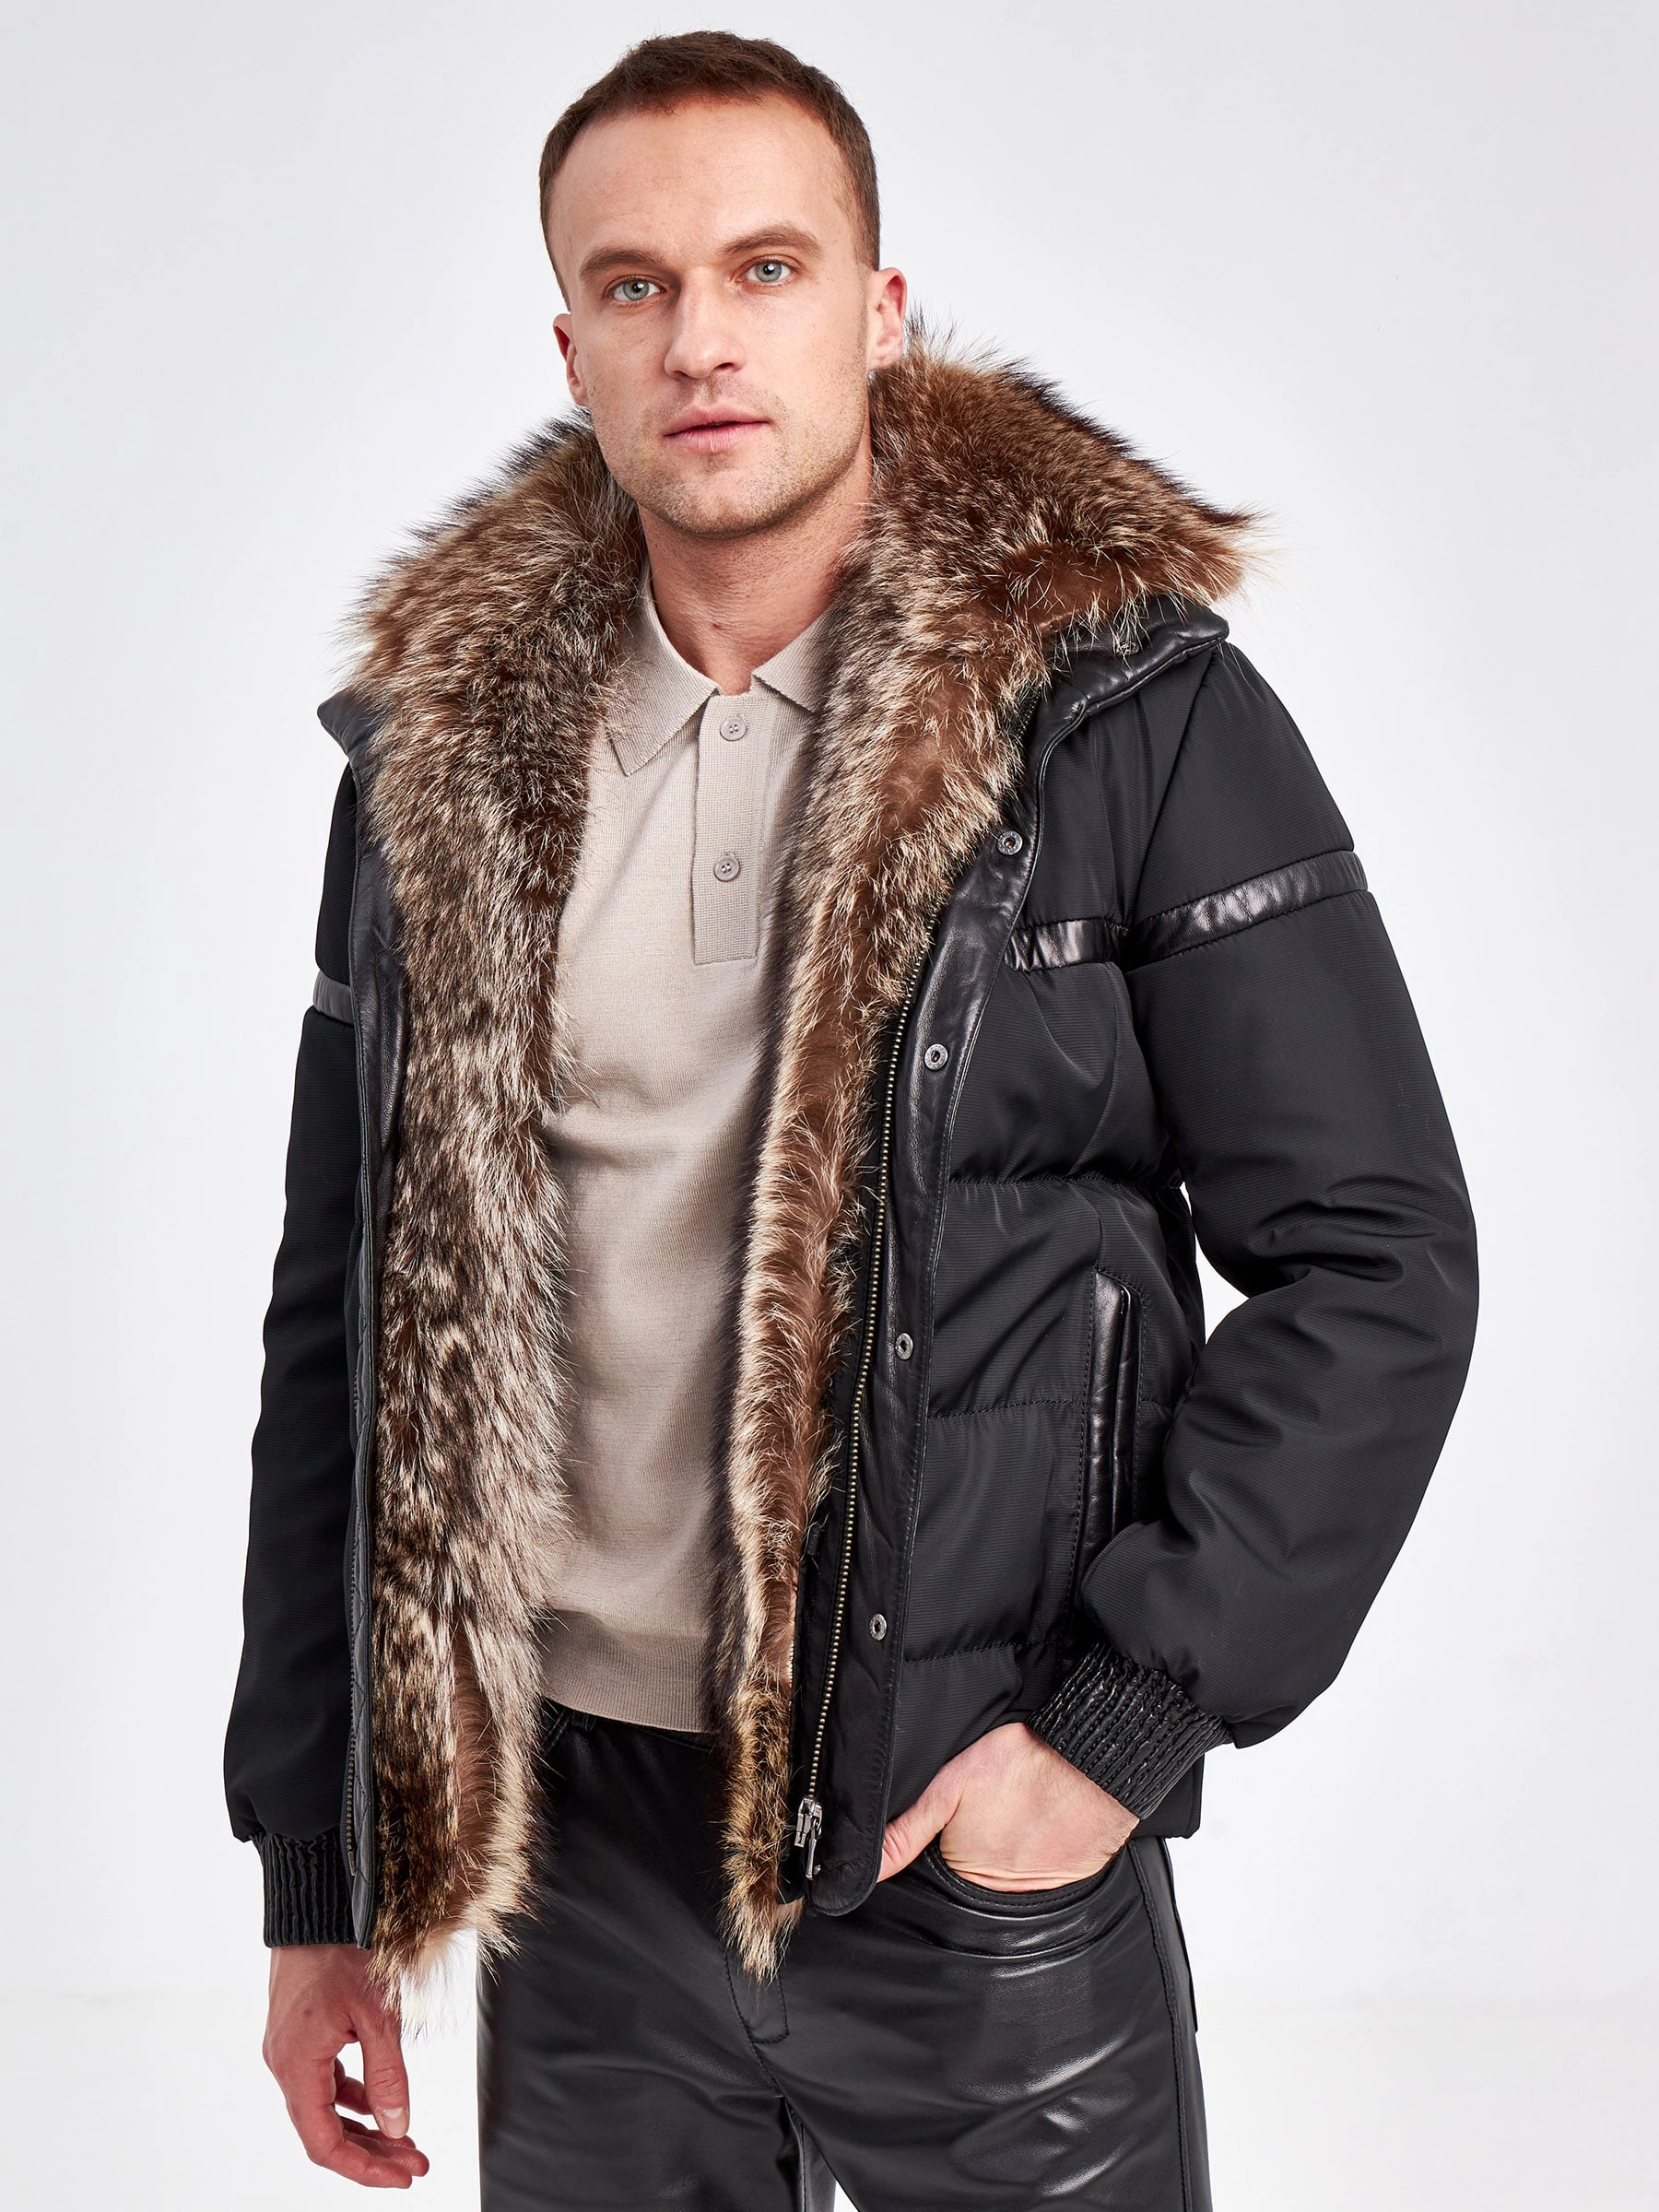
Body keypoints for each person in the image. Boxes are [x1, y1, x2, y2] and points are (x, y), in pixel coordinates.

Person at [225, 29, 1479, 2206]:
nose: (701, 339)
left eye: (767, 268)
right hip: (572, 1879)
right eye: (634, 286)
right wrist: (325, 1874)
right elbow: (342, 1328)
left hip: (965, 1852)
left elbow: (1377, 1254)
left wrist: (1109, 1737)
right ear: (571, 345)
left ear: (878, 310)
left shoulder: (1122, 713)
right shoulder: (438, 767)